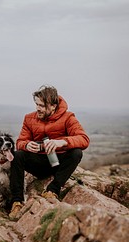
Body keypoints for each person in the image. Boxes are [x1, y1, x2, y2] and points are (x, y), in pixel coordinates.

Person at [9, 85, 90, 218]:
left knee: (76, 153)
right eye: (36, 104)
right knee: (17, 155)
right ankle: (17, 202)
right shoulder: (29, 118)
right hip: (38, 163)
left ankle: (52, 190)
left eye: (41, 105)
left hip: (58, 164)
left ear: (53, 106)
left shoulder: (68, 117)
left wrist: (62, 142)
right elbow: (20, 142)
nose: (37, 108)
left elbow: (84, 139)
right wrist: (27, 145)